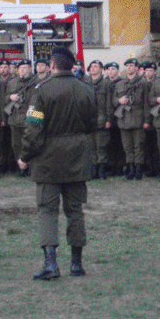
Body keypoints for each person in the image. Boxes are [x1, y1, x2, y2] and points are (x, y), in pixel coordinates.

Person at [18, 46, 97, 280]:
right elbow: (93, 123)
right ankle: (76, 264)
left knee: (47, 211)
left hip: (48, 160)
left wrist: (24, 156)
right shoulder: (86, 90)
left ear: (52, 65)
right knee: (75, 211)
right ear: (72, 66)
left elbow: (33, 129)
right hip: (77, 157)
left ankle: (51, 264)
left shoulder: (42, 92)